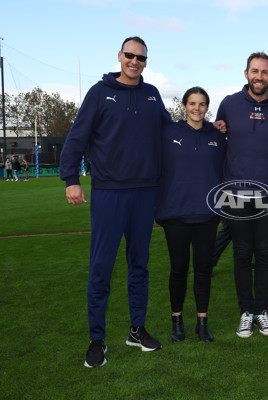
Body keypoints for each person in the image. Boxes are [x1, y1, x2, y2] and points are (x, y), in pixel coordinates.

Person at [59, 36, 172, 368]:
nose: (135, 61)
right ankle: (97, 339)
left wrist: (207, 128)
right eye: (130, 55)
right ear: (119, 56)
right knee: (101, 268)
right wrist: (71, 179)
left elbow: (171, 133)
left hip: (144, 193)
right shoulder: (99, 92)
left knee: (139, 265)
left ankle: (136, 330)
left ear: (146, 62)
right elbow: (77, 136)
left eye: (141, 58)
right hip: (109, 193)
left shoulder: (152, 95)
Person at [215, 52, 268, 338]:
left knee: (265, 254)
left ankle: (262, 311)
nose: (260, 76)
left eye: (265, 72)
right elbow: (218, 136)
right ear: (246, 73)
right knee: (242, 253)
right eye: (255, 71)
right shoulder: (229, 103)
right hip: (236, 192)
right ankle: (246, 312)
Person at [155, 87, 226, 343]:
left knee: (203, 269)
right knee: (179, 269)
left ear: (207, 107)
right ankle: (177, 321)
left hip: (207, 215)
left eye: (202, 104)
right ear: (184, 105)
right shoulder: (168, 132)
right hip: (176, 214)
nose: (197, 108)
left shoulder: (217, 137)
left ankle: (202, 322)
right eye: (193, 103)